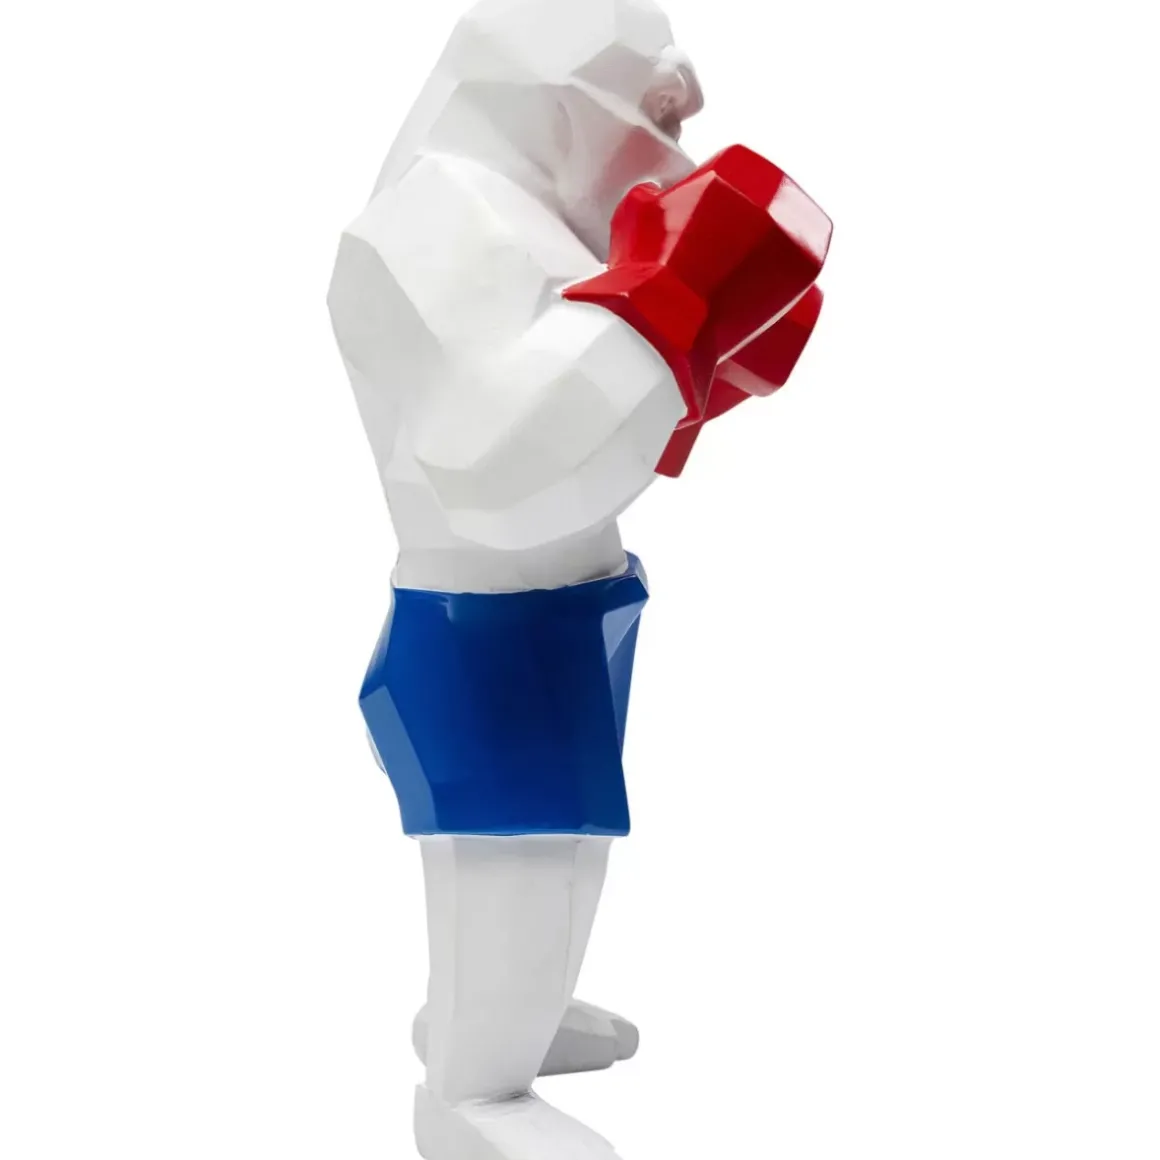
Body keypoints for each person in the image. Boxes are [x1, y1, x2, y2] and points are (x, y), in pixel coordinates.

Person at [328, 1, 828, 1155]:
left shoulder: (531, 222)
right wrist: (666, 307)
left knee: (568, 838)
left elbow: (592, 436)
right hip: (481, 619)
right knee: (518, 856)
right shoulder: (428, 220)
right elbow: (492, 463)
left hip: (561, 605)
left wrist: (692, 362)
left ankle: (510, 1008)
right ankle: (469, 1092)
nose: (679, 122)